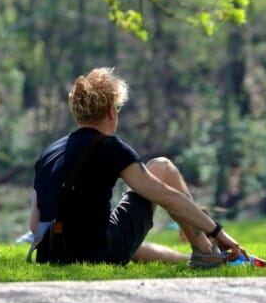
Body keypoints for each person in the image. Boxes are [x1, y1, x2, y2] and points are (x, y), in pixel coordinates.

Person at [29, 67, 245, 268]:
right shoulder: (110, 147)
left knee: (119, 238)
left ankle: (186, 259)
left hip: (53, 254)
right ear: (112, 111)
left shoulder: (49, 153)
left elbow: (34, 224)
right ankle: (205, 251)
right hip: (99, 252)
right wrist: (218, 232)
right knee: (162, 167)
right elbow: (166, 197)